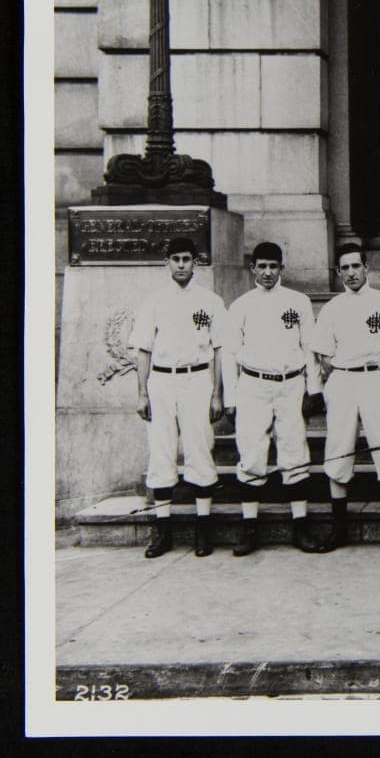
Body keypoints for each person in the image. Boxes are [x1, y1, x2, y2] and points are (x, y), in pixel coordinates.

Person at [220, 242, 324, 556]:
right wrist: (230, 396)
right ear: (253, 267)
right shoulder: (240, 305)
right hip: (253, 385)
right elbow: (229, 354)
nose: (267, 272)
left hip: (290, 384)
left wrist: (314, 388)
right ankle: (249, 527)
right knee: (251, 454)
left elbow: (310, 347)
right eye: (262, 266)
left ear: (282, 268)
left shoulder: (299, 302)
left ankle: (300, 525)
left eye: (273, 266)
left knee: (294, 451)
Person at [129, 237, 226, 559]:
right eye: (176, 259)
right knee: (161, 451)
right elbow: (143, 350)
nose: (181, 265)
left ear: (195, 262)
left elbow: (217, 351)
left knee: (200, 449)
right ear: (167, 262)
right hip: (162, 381)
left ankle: (203, 527)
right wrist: (142, 392)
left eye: (186, 259)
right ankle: (163, 528)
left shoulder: (210, 301)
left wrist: (217, 394)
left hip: (197, 379)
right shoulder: (154, 302)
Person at [311, 242, 380, 553]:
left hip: (378, 377)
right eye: (345, 268)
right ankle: (338, 527)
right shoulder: (332, 308)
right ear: (338, 272)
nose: (351, 273)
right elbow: (324, 355)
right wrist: (339, 378)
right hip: (343, 379)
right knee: (339, 449)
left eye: (356, 266)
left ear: (367, 268)